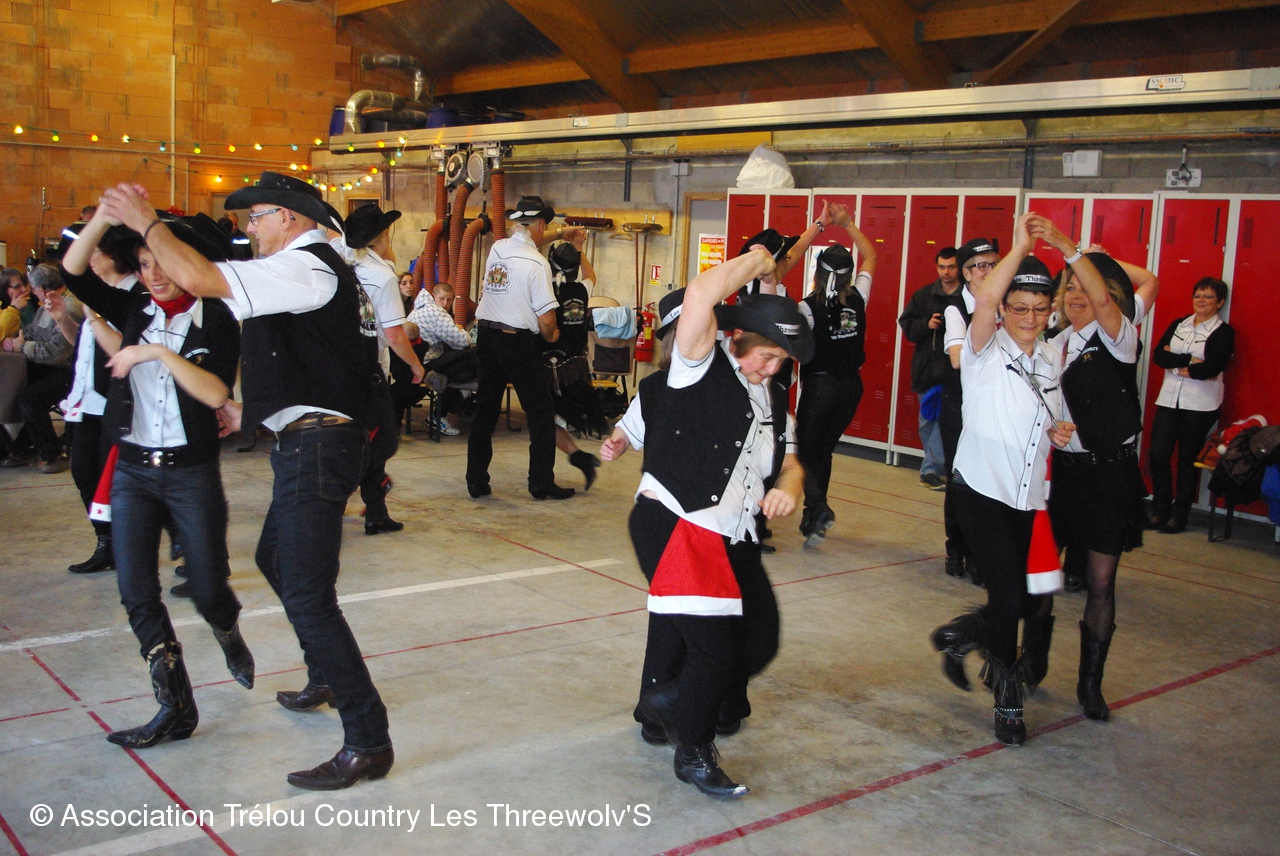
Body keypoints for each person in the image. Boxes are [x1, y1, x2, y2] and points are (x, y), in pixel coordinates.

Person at [99, 172, 393, 791]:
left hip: (319, 447)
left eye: (257, 216)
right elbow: (303, 356)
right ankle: (326, 674)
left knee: (309, 595)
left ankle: (368, 740)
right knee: (274, 559)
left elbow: (200, 278)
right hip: (309, 440)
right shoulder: (312, 269)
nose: (250, 227)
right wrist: (247, 409)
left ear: (290, 217)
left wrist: (147, 222)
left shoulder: (304, 265)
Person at [604, 248, 809, 798]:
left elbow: (790, 463)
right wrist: (757, 260)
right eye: (766, 356)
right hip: (678, 523)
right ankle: (693, 751)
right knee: (713, 649)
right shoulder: (697, 368)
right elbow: (700, 295)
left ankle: (667, 700)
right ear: (736, 339)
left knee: (758, 641)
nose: (772, 369)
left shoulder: (773, 400)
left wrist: (788, 490)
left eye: (781, 361)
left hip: (734, 534)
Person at [61, 209, 254, 748]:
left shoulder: (217, 319)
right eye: (144, 265)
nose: (154, 275)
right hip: (133, 471)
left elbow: (215, 393)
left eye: (163, 262)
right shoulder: (132, 307)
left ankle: (226, 627)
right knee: (137, 592)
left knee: (208, 587)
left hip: (191, 473)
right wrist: (103, 217)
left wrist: (158, 352)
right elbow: (73, 272)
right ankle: (175, 708)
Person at [929, 214, 1076, 747]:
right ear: (1004, 310)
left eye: (1040, 309)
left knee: (1029, 597)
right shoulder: (983, 350)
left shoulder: (1053, 356)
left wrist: (1058, 432)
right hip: (982, 490)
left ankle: (960, 635)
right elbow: (987, 298)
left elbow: (1049, 421)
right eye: (1020, 308)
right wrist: (1021, 245)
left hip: (1029, 496)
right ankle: (1007, 698)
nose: (1030, 318)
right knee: (1010, 596)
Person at [1034, 217, 1159, 722]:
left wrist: (1079, 252)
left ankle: (1090, 684)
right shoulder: (1052, 344)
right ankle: (1032, 661)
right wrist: (1051, 430)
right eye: (1069, 288)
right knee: (1042, 575)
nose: (1076, 296)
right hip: (1063, 474)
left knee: (1101, 582)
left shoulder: (1119, 337)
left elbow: (1123, 292)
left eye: (1085, 288)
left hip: (1109, 476)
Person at [466, 195, 577, 500]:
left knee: (485, 410)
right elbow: (546, 319)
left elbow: (527, 240)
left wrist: (560, 233)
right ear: (540, 224)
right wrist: (552, 336)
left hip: (486, 337)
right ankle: (540, 483)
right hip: (516, 341)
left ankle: (476, 480)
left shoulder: (498, 248)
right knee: (540, 411)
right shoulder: (538, 264)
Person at [333, 203, 425, 535]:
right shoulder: (383, 277)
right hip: (367, 368)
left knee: (355, 437)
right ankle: (347, 492)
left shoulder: (337, 258)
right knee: (383, 439)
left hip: (335, 363)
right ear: (384, 236)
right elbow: (395, 334)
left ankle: (374, 510)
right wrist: (415, 365)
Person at [58, 224, 144, 574]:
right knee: (84, 472)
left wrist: (93, 318)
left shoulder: (132, 295)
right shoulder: (96, 295)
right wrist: (63, 319)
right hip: (87, 400)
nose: (89, 259)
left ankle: (179, 539)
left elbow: (124, 350)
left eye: (94, 250)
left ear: (113, 255)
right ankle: (105, 542)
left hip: (119, 402)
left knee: (125, 482)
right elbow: (84, 349)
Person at [795, 203, 875, 548]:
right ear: (848, 274)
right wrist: (848, 224)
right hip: (851, 387)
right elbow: (872, 255)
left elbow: (798, 348)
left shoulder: (806, 307)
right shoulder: (859, 297)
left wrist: (821, 223)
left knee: (803, 451)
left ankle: (819, 507)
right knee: (823, 451)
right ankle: (812, 518)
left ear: (817, 273)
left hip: (821, 386)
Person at [1148, 278, 1235, 534]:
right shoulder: (1180, 324)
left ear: (1220, 302)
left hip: (1200, 405)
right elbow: (1159, 356)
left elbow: (1210, 369)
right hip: (1168, 399)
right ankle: (1160, 509)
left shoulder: (1223, 332)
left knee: (1186, 460)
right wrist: (1188, 361)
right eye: (1198, 295)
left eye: (1208, 297)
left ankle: (1179, 515)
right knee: (1158, 455)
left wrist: (1176, 363)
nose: (1201, 300)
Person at [938, 237, 1000, 585]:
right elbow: (958, 358)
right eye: (981, 266)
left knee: (988, 480)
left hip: (993, 407)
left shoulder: (1006, 305)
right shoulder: (956, 309)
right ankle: (956, 548)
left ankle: (980, 553)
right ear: (966, 273)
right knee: (960, 478)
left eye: (994, 264)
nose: (988, 271)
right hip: (960, 408)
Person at [2, 265, 83, 472]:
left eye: (32, 288)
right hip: (48, 366)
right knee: (8, 385)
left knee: (29, 398)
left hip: (69, 372)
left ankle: (52, 454)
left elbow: (58, 353)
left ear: (42, 289)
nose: (31, 292)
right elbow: (31, 332)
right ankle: (17, 446)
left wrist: (23, 347)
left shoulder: (70, 307)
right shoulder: (45, 306)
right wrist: (14, 341)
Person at [544, 236, 608, 489]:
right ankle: (579, 457)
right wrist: (580, 249)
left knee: (542, 420)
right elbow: (591, 275)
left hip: (549, 368)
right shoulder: (583, 289)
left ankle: (571, 460)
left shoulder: (543, 290)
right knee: (548, 419)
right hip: (575, 368)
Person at [898, 247, 959, 490]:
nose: (946, 272)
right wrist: (927, 324)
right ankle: (935, 467)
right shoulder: (924, 295)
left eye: (951, 267)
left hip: (955, 370)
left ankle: (931, 469)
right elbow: (908, 327)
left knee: (944, 420)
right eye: (942, 267)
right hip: (927, 369)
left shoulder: (967, 296)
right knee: (928, 421)